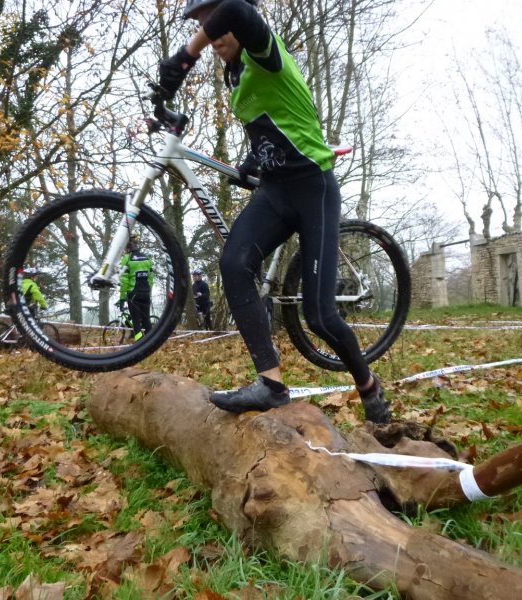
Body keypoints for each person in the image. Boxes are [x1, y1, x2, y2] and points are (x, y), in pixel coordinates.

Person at [157, 0, 390, 422]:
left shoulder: (265, 50)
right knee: (233, 263)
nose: (211, 37)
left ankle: (369, 386)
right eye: (202, 28)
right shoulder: (237, 73)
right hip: (275, 191)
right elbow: (271, 121)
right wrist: (253, 160)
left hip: (312, 188)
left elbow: (236, 13)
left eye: (213, 27)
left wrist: (185, 54)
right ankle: (271, 384)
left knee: (319, 317)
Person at [119, 234, 155, 341]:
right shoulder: (147, 258)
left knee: (135, 320)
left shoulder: (126, 258)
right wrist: (149, 291)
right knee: (146, 319)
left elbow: (124, 281)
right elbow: (151, 278)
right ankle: (150, 342)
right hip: (146, 293)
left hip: (133, 294)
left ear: (128, 247)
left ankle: (139, 342)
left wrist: (122, 298)